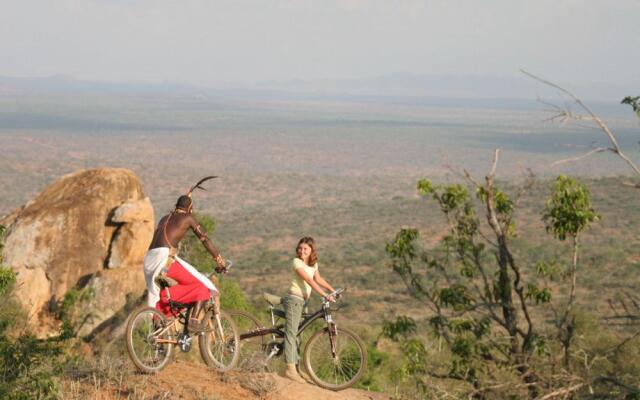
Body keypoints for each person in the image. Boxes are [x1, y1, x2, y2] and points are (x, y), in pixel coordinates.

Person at [143, 177, 226, 332]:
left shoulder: (165, 218)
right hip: (163, 259)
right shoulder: (187, 217)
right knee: (204, 286)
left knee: (158, 295)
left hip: (148, 260)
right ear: (190, 209)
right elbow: (205, 239)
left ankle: (159, 338)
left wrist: (187, 201)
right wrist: (219, 259)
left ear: (176, 206)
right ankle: (194, 322)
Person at [283, 236, 336, 383]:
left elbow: (318, 279)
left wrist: (332, 290)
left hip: (303, 302)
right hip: (294, 300)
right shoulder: (297, 262)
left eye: (305, 248)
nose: (302, 251)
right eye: (300, 248)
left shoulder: (314, 264)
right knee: (292, 334)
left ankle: (298, 370)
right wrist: (325, 295)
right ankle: (289, 370)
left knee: (297, 336)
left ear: (312, 250)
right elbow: (309, 280)